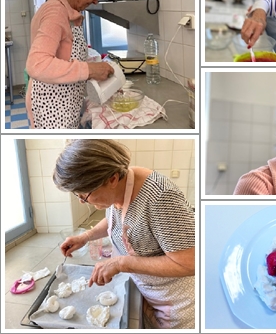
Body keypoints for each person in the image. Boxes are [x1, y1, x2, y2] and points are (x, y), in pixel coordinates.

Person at [54, 140, 195, 329]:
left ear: (111, 179)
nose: (81, 201)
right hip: (149, 291)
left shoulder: (160, 197)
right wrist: (86, 237)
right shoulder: (121, 185)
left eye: (84, 195)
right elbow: (120, 220)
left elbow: (189, 263)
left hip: (179, 304)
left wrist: (122, 263)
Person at [26, 0, 115, 129]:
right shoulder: (55, 12)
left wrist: (96, 69)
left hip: (63, 101)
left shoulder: (65, 11)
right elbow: (37, 65)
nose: (96, 1)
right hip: (53, 106)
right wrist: (89, 70)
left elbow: (64, 56)